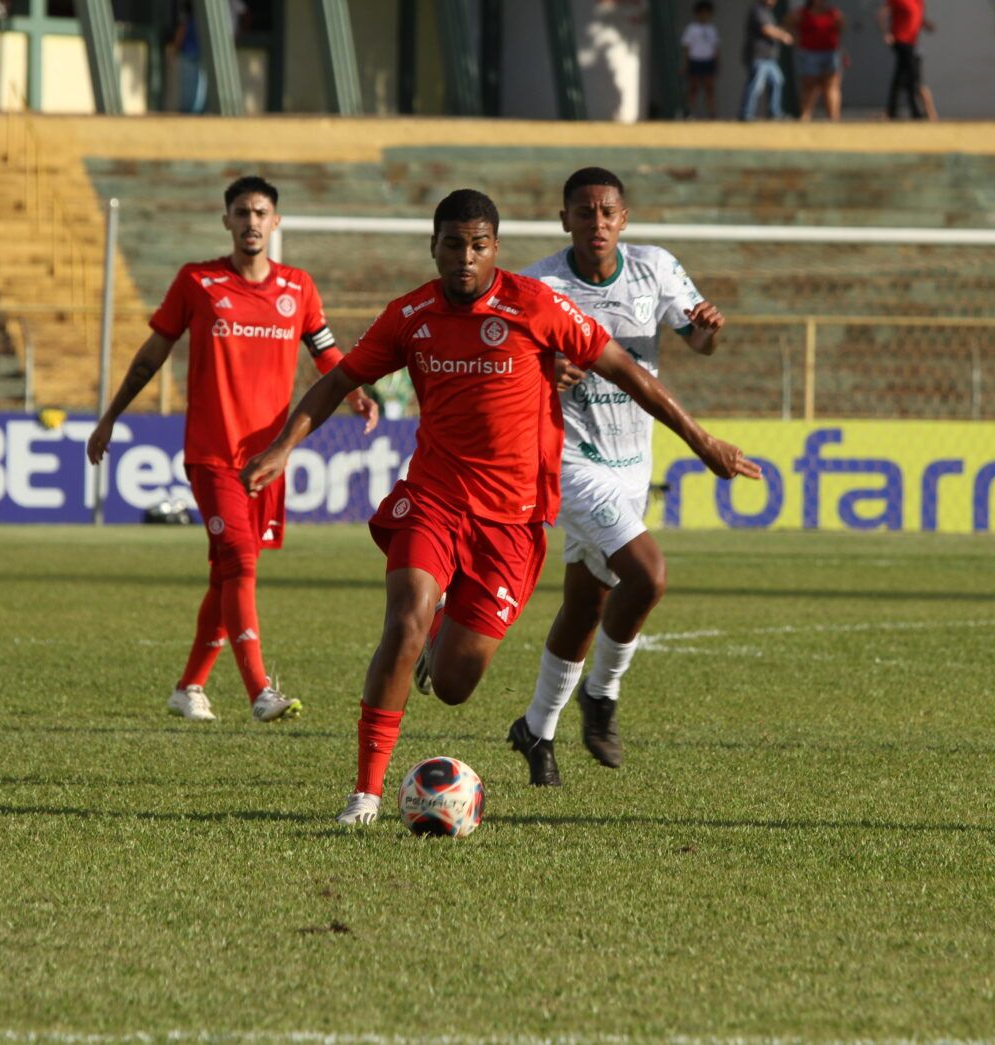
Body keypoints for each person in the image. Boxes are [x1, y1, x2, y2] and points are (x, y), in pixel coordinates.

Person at [238, 189, 760, 825]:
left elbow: (626, 369)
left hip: (513, 521)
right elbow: (340, 379)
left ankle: (452, 642)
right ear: (433, 247)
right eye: (452, 245)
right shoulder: (411, 315)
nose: (464, 258)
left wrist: (703, 441)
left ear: (495, 249)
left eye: (478, 246)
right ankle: (366, 794)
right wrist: (284, 448)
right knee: (404, 622)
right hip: (433, 498)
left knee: (455, 685)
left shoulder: (536, 305)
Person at [87, 176, 378, 724]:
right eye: (241, 212)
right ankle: (260, 690)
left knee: (226, 574)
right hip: (212, 454)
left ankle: (189, 687)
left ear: (276, 222)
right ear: (226, 221)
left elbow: (326, 352)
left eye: (261, 212)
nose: (251, 221)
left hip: (268, 460)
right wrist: (111, 416)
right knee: (240, 561)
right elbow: (152, 354)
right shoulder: (198, 282)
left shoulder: (299, 288)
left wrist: (357, 391)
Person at [501, 167, 724, 786]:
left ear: (623, 219)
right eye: (584, 211)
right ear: (564, 218)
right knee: (647, 575)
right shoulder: (538, 284)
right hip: (567, 459)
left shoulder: (654, 268)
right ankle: (601, 694)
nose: (596, 222)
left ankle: (536, 729)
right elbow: (509, 372)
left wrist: (705, 334)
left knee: (586, 601)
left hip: (632, 460)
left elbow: (697, 342)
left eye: (607, 212)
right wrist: (546, 375)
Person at [787, 0, 847, 121]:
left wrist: (841, 50)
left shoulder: (833, 13)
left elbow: (841, 28)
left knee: (831, 85)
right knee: (809, 85)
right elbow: (787, 24)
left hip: (830, 53)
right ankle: (805, 116)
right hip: (809, 53)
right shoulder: (802, 13)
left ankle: (834, 118)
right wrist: (795, 38)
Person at [738, 0, 794, 121]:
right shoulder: (757, 10)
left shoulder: (768, 12)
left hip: (769, 57)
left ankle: (774, 113)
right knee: (755, 85)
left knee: (777, 81)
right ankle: (746, 114)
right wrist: (783, 35)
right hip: (758, 55)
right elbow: (766, 29)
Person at [879, 0, 934, 120]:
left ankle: (895, 111)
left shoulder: (919, 2)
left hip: (912, 42)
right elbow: (882, 14)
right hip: (900, 40)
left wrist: (926, 25)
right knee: (912, 75)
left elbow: (917, 18)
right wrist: (886, 33)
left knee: (902, 76)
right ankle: (912, 111)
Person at [680, 1, 721, 119]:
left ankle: (713, 113)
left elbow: (716, 47)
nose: (704, 15)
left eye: (707, 13)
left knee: (709, 89)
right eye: (702, 13)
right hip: (695, 60)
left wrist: (717, 62)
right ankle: (689, 113)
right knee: (693, 88)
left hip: (708, 61)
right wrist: (685, 64)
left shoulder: (712, 29)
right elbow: (687, 48)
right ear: (697, 14)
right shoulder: (691, 28)